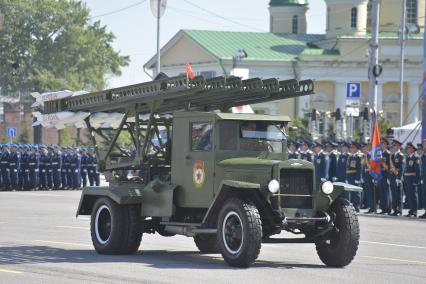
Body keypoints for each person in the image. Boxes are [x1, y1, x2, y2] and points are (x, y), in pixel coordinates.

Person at [403, 142, 420, 218]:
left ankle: (414, 211)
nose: (407, 149)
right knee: (409, 195)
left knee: (413, 195)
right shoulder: (408, 157)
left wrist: (416, 181)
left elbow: (417, 170)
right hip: (407, 179)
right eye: (407, 148)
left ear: (413, 149)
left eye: (409, 148)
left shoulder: (416, 157)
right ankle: (411, 210)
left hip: (412, 179)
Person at [346, 142, 362, 212]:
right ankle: (352, 205)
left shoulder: (359, 157)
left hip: (355, 176)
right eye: (351, 148)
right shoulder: (350, 156)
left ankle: (357, 206)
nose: (351, 149)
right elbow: (347, 168)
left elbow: (359, 168)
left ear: (356, 149)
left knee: (356, 193)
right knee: (351, 192)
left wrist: (358, 178)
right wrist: (347, 177)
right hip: (350, 176)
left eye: (353, 148)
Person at [389, 140, 404, 216]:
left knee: (399, 194)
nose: (393, 147)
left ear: (398, 146)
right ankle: (394, 209)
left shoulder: (401, 155)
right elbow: (390, 168)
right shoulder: (392, 155)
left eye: (395, 146)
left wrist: (399, 178)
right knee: (394, 193)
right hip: (392, 176)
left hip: (397, 176)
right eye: (393, 146)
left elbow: (401, 168)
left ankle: (399, 210)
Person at [378, 139, 391, 215]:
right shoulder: (379, 153)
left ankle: (387, 209)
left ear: (386, 145)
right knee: (381, 192)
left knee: (386, 192)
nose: (382, 145)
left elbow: (390, 166)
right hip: (380, 175)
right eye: (381, 144)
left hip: (386, 174)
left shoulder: (388, 153)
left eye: (383, 144)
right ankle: (383, 208)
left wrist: (389, 177)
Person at [420, 140, 426, 218]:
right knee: (424, 194)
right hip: (424, 178)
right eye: (424, 144)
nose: (424, 146)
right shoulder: (423, 156)